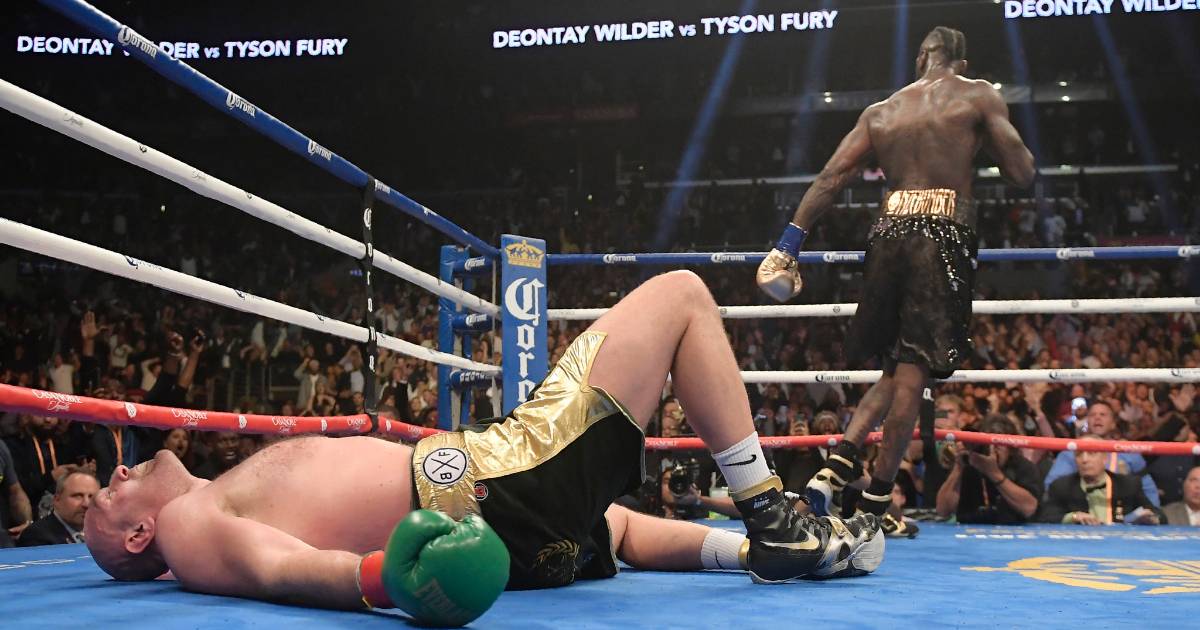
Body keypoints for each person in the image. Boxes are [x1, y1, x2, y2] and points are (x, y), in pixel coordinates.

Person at [83, 271, 883, 627]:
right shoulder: (187, 523)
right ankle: (774, 518)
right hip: (489, 481)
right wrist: (390, 578)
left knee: (605, 524)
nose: (115, 472)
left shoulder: (211, 503)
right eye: (106, 500)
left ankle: (765, 545)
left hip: (510, 529)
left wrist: (735, 553)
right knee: (680, 296)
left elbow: (621, 532)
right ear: (139, 536)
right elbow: (278, 571)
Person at [756, 26, 1035, 536]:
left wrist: (787, 246)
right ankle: (876, 500)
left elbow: (831, 178)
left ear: (923, 57)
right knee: (913, 374)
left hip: (886, 234)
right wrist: (984, 136)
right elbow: (1021, 172)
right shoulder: (977, 94)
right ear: (960, 60)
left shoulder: (880, 112)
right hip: (942, 233)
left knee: (895, 366)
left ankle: (837, 466)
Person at [1041, 401, 1160, 506]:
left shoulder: (1127, 452)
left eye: (1103, 415)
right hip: (1082, 511)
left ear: (1113, 423)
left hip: (1121, 513)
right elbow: (1052, 487)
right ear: (1087, 422)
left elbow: (1148, 489)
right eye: (1093, 415)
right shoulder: (1071, 452)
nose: (1097, 418)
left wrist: (1154, 515)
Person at [934, 415, 1040, 524]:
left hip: (1012, 529)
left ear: (1011, 448)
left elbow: (1029, 508)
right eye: (989, 445)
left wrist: (994, 474)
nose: (993, 450)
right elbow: (943, 510)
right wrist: (958, 467)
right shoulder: (969, 462)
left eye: (999, 445)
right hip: (969, 529)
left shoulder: (1023, 467)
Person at [1040, 435, 1163, 525]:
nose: (1084, 460)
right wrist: (1074, 517)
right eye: (1079, 454)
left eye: (1091, 453)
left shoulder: (1128, 485)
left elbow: (1159, 515)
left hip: (1121, 546)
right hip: (1079, 546)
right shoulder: (1061, 486)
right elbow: (1046, 517)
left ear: (1105, 458)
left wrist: (1151, 518)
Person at [18, 469, 98, 546]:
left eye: (92, 497)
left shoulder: (101, 532)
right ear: (57, 500)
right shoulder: (36, 536)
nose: (86, 504)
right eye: (78, 496)